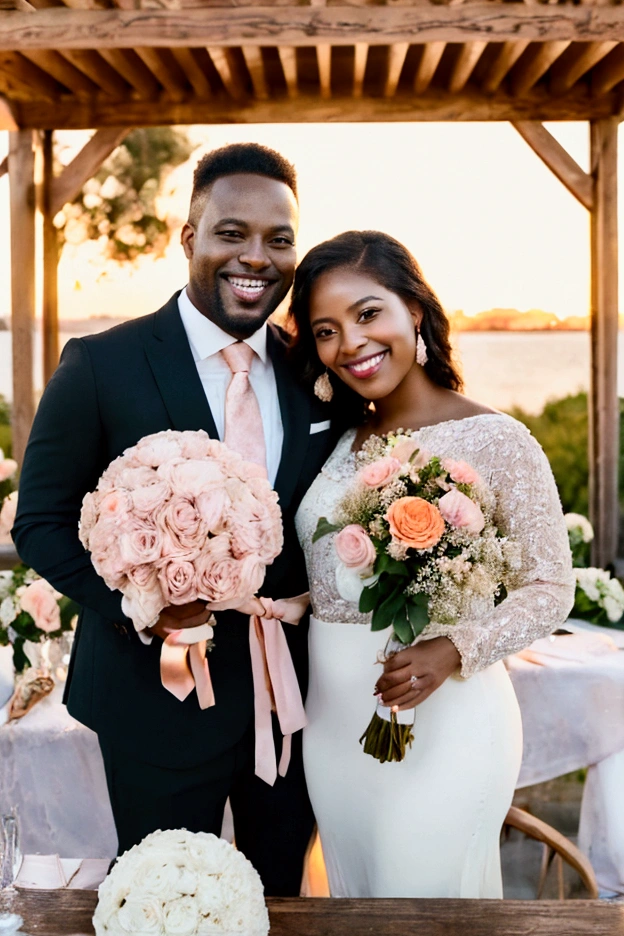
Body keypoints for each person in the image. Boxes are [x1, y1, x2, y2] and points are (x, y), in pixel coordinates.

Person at [12, 144, 335, 896]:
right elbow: (42, 523)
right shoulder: (101, 364)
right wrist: (146, 605)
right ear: (188, 238)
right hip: (150, 699)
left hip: (290, 706)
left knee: (280, 900)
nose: (256, 256)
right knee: (165, 901)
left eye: (279, 239)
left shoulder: (314, 372)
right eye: (231, 232)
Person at [288, 230, 575, 898]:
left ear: (413, 309)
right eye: (326, 331)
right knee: (358, 899)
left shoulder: (498, 439)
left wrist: (453, 649)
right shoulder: (337, 442)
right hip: (333, 728)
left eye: (367, 314)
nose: (350, 343)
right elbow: (327, 574)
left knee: (424, 899)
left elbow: (550, 587)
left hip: (449, 721)